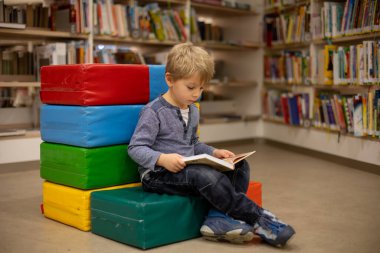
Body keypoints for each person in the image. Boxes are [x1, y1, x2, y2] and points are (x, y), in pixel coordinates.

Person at [128, 42, 295, 247]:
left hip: (188, 169)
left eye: (201, 88)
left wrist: (214, 152)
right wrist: (162, 159)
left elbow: (193, 144)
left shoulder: (192, 109)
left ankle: (218, 219)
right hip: (158, 175)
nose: (196, 94)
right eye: (191, 87)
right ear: (169, 79)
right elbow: (135, 148)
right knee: (205, 175)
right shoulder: (153, 112)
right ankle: (260, 219)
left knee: (239, 166)